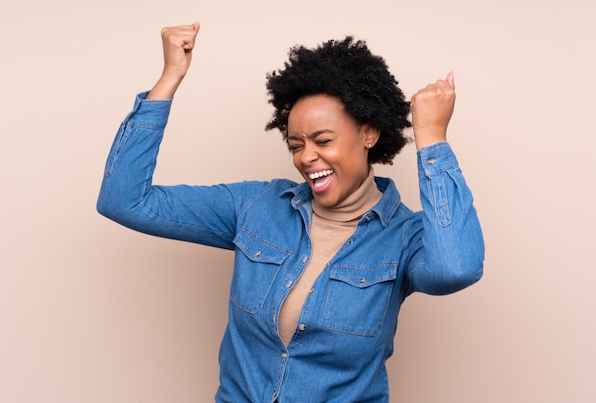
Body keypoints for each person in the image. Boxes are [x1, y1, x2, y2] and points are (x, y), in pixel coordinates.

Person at [97, 22, 484, 403]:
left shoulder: (403, 237)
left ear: (369, 134)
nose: (306, 156)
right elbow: (125, 200)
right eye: (296, 143)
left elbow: (456, 268)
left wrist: (431, 138)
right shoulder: (256, 207)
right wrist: (169, 79)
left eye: (323, 140)